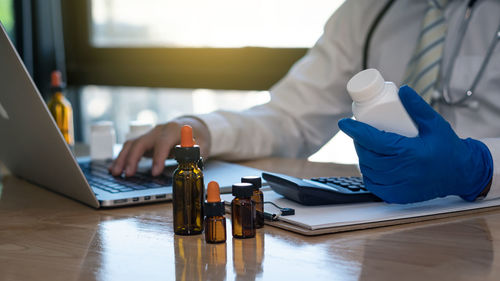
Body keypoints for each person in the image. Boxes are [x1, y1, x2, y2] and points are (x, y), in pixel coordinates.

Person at [110, 0, 500, 203]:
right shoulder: (368, 12)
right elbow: (290, 117)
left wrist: (481, 167)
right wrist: (203, 129)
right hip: (393, 225)